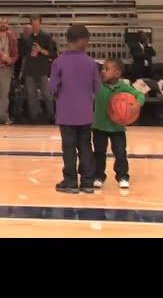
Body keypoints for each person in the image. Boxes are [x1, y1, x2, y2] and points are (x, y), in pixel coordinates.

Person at [49, 24, 101, 194]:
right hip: (85, 114)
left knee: (69, 148)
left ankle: (70, 182)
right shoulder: (91, 63)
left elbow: (53, 88)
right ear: (82, 41)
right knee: (86, 147)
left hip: (65, 114)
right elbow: (97, 89)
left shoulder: (58, 62)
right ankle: (87, 183)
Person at [92, 58, 145, 190]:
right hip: (99, 126)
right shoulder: (97, 84)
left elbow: (140, 95)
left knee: (120, 153)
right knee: (99, 153)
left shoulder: (123, 87)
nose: (103, 71)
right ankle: (98, 176)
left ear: (117, 73)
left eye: (107, 69)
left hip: (117, 128)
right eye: (102, 68)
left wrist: (137, 104)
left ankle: (123, 176)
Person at [22, 14, 57, 124]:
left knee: (47, 95)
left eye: (37, 23)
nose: (35, 25)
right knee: (32, 96)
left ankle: (52, 117)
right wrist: (30, 53)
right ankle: (34, 118)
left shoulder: (46, 37)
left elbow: (52, 54)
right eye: (33, 23)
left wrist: (41, 50)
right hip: (29, 71)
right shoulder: (27, 38)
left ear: (40, 23)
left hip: (42, 71)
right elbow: (23, 55)